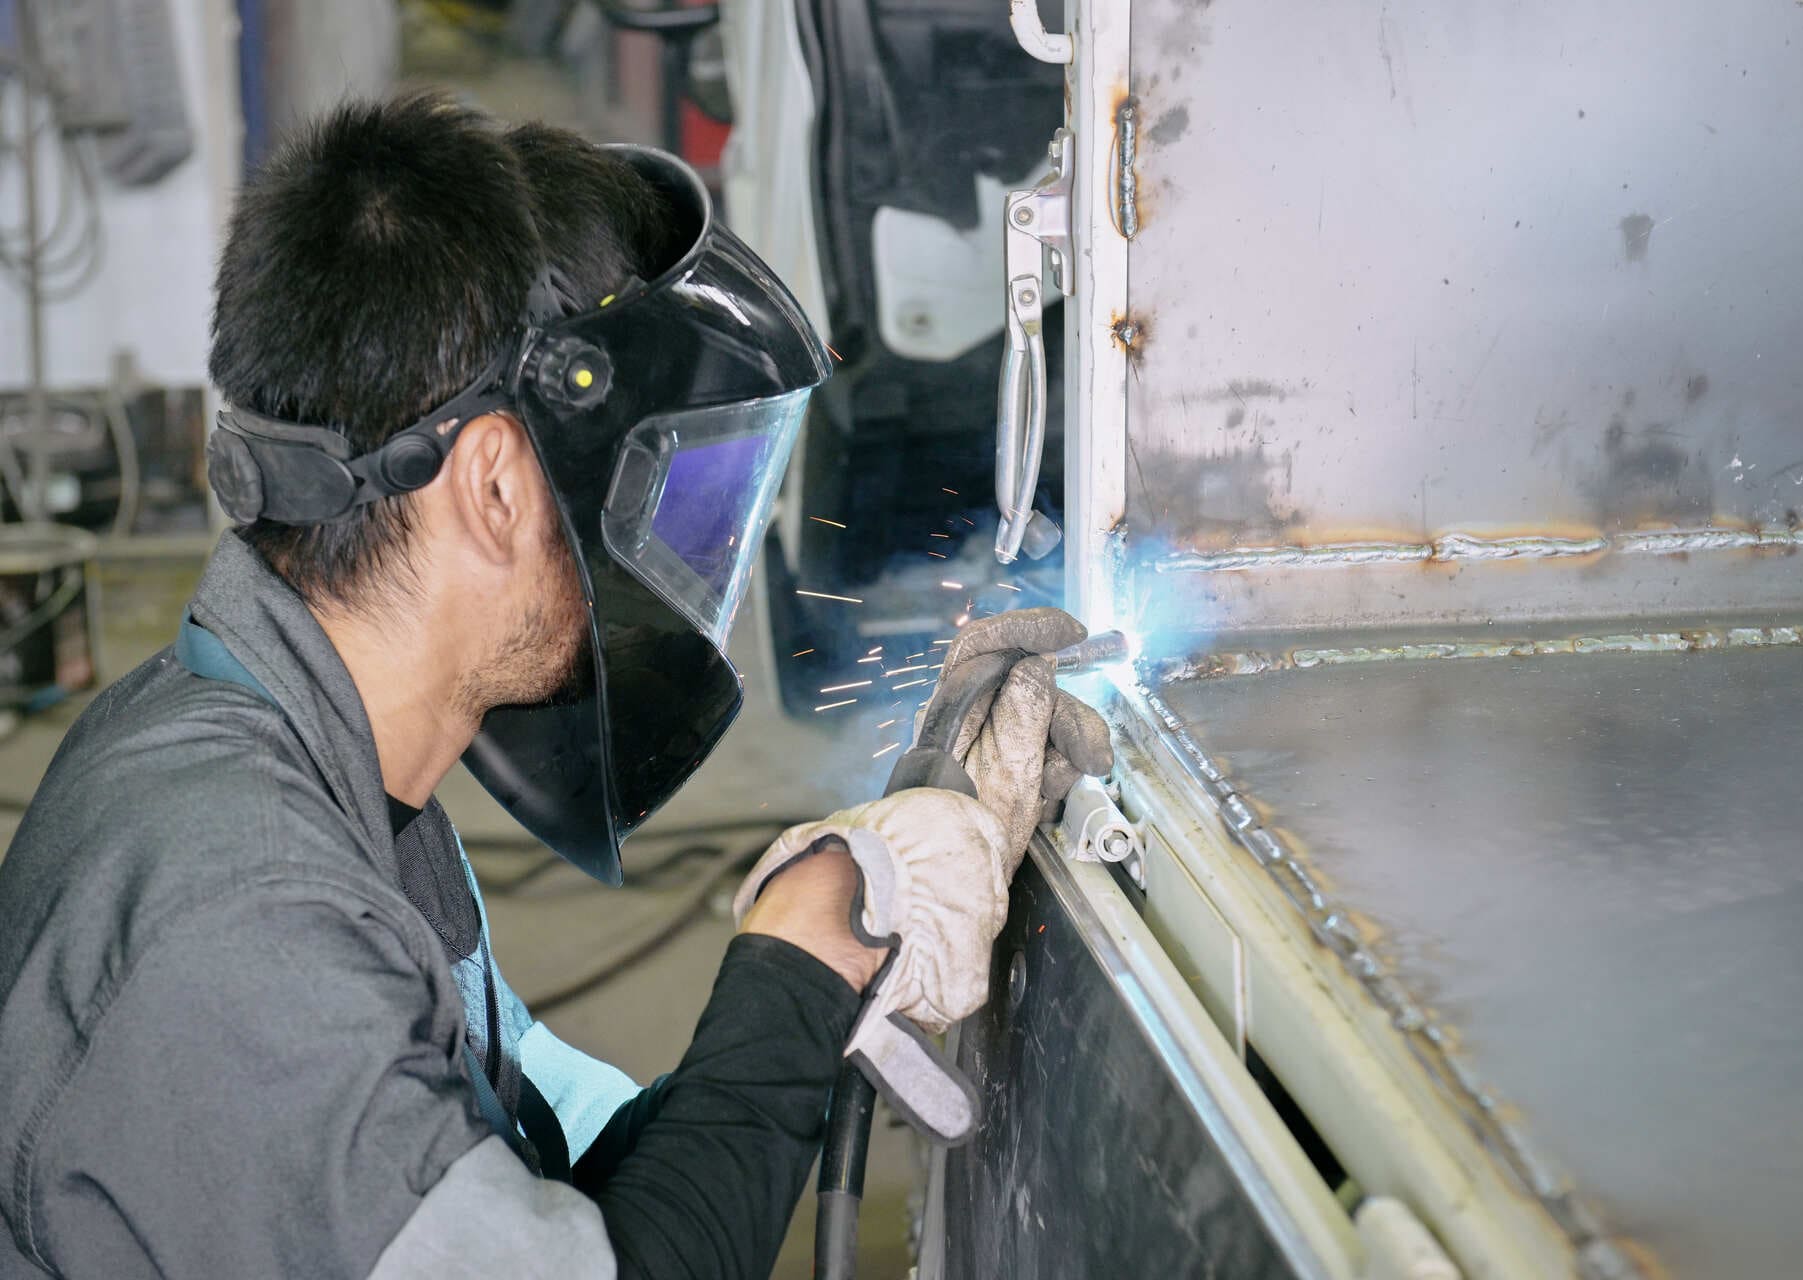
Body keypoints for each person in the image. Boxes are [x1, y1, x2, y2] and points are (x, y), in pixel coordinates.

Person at [0, 94, 1109, 1279]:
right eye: (664, 494)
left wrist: (831, 944)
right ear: (493, 487)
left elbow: (549, 1200)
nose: (682, 561)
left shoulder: (306, 770)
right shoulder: (246, 927)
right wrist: (794, 959)